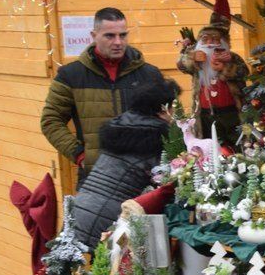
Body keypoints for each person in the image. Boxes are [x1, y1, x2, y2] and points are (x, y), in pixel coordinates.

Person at [40, 7, 165, 178]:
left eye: (123, 35)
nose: (118, 42)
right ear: (93, 36)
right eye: (109, 36)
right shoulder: (71, 75)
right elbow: (51, 121)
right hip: (96, 177)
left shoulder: (149, 74)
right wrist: (80, 155)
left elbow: (165, 120)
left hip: (144, 176)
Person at [67, 77, 180, 248]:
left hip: (80, 207)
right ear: (161, 109)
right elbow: (166, 182)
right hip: (107, 216)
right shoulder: (157, 136)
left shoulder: (122, 124)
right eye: (172, 106)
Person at [176, 0, 248, 146]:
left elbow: (244, 72)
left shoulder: (231, 57)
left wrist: (225, 69)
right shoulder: (196, 57)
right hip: (205, 113)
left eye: (215, 40)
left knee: (235, 143)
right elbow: (181, 64)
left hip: (231, 112)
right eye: (206, 40)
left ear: (223, 42)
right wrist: (192, 59)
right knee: (209, 145)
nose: (210, 43)